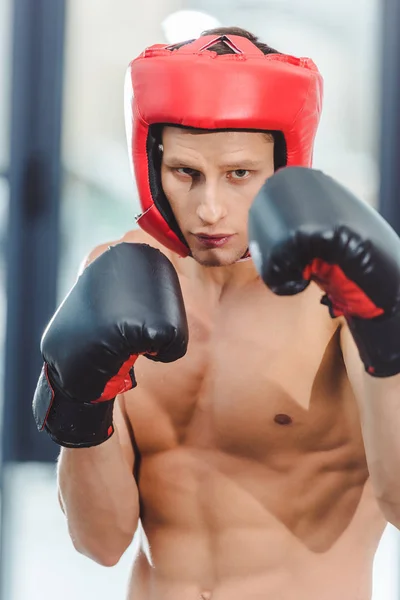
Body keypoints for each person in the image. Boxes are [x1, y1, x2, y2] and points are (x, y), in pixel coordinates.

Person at [32, 27, 400, 600]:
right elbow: (99, 542)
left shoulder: (339, 295)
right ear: (152, 165)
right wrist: (78, 402)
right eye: (186, 173)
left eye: (239, 175)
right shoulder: (118, 275)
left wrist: (386, 328)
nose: (209, 208)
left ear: (285, 165)